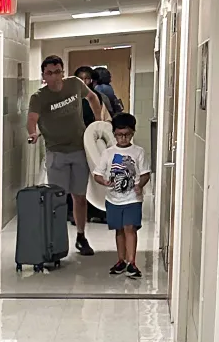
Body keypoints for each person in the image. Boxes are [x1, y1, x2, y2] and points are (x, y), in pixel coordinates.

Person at [28, 55, 104, 256]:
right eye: (49, 73)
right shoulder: (39, 97)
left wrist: (99, 122)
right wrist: (32, 133)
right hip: (56, 153)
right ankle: (56, 241)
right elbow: (32, 119)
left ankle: (81, 236)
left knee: (80, 196)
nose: (54, 77)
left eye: (58, 72)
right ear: (43, 75)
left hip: (79, 149)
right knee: (58, 199)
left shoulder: (75, 84)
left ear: (63, 71)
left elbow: (93, 98)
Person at [92, 112, 151, 279]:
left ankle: (132, 262)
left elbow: (146, 173)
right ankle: (121, 260)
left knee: (130, 228)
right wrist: (104, 182)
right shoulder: (108, 153)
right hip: (113, 199)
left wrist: (140, 185)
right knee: (119, 230)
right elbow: (97, 174)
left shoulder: (138, 152)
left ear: (132, 133)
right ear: (114, 134)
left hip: (132, 199)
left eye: (126, 135)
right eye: (119, 135)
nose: (123, 138)